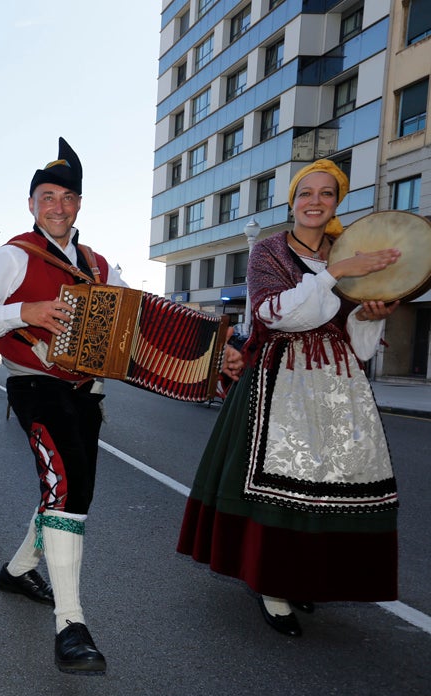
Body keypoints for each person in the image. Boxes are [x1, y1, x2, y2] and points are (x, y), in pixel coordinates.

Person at [177, 159, 401, 638]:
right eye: (306, 193)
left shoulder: (349, 249)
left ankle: (302, 576)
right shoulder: (269, 251)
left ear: (336, 202)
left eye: (325, 194)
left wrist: (373, 314)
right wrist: (335, 273)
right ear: (292, 201)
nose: (314, 201)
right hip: (281, 378)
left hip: (339, 383)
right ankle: (272, 585)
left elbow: (356, 339)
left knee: (329, 482)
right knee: (284, 481)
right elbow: (274, 314)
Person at [0, 138, 132, 675]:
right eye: (47, 195)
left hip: (86, 392)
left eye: (68, 196)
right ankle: (70, 623)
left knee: (72, 491)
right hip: (34, 385)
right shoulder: (12, 256)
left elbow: (132, 317)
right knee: (68, 489)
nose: (58, 205)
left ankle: (17, 570)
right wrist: (23, 310)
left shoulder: (100, 264)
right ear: (31, 204)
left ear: (79, 204)